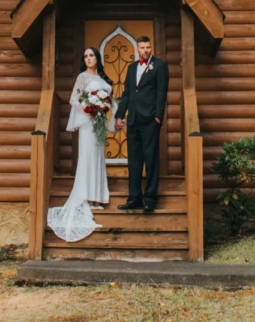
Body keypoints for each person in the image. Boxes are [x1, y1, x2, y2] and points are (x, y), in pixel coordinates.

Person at [45, 47, 113, 242]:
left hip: (99, 122)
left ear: (97, 58)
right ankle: (85, 196)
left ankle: (97, 197)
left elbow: (109, 99)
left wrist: (104, 107)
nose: (89, 58)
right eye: (86, 56)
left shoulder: (103, 77)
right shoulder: (82, 77)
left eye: (91, 55)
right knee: (88, 156)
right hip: (88, 122)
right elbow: (74, 99)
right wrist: (90, 108)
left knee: (98, 157)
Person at [113, 35, 168, 213]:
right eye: (142, 48)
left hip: (150, 120)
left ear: (151, 49)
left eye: (148, 47)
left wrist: (158, 116)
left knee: (151, 159)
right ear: (137, 49)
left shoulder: (159, 66)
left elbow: (161, 92)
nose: (145, 50)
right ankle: (134, 197)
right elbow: (127, 94)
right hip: (134, 120)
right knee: (134, 161)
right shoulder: (131, 68)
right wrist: (119, 115)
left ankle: (150, 199)